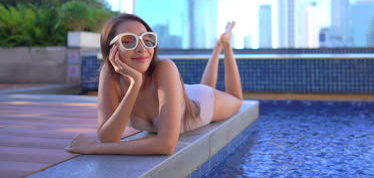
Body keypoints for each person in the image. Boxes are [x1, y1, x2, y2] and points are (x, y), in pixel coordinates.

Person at [66, 13, 243, 155]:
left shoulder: (165, 67)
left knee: (235, 100)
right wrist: (135, 84)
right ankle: (217, 47)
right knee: (205, 85)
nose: (142, 48)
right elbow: (108, 137)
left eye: (147, 39)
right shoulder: (110, 74)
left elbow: (166, 145)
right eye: (128, 41)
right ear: (111, 48)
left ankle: (224, 45)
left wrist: (94, 148)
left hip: (202, 103)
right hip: (181, 94)